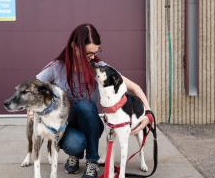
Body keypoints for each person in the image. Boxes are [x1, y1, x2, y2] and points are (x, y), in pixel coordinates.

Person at [35, 23, 153, 178]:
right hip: (65, 124)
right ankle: (75, 155)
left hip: (90, 123)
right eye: (88, 53)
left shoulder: (99, 69)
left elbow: (135, 88)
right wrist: (33, 109)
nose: (92, 57)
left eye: (96, 52)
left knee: (85, 105)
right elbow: (34, 88)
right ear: (74, 47)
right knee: (75, 144)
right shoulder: (57, 67)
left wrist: (149, 114)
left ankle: (92, 161)